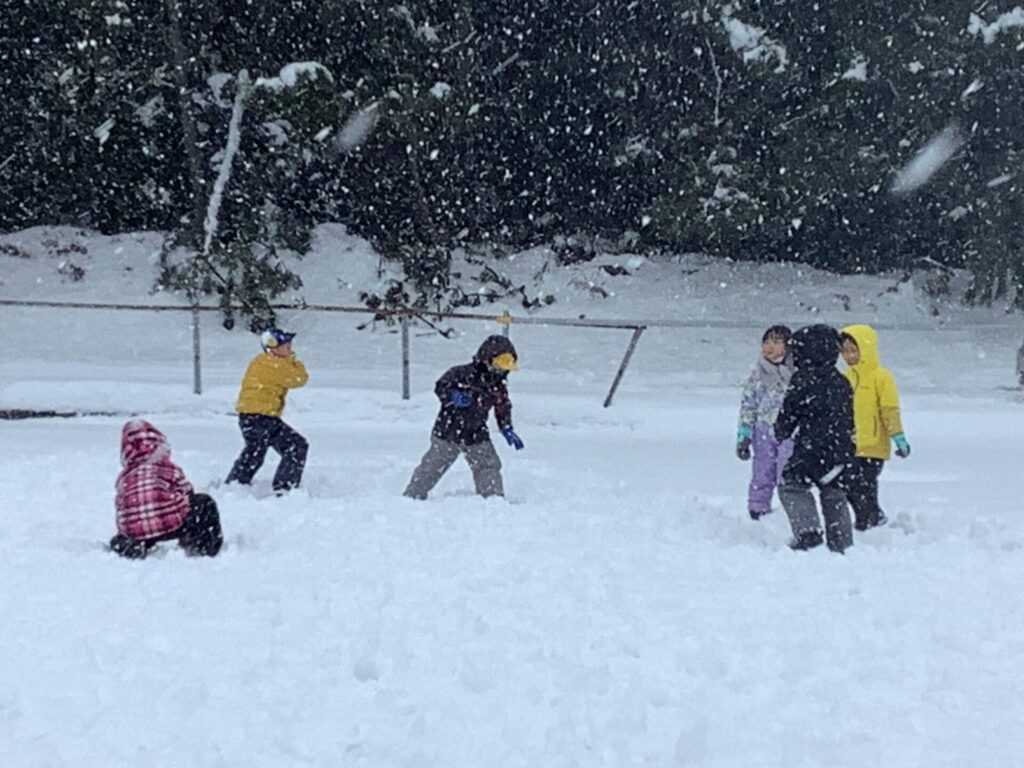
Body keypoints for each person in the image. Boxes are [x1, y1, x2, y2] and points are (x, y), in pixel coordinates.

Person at [404, 335, 524, 500]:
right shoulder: (461, 373)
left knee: (488, 465)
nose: (500, 371)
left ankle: (493, 499)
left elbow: (502, 406)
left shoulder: (498, 385)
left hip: (476, 433)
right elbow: (441, 387)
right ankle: (412, 496)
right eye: (498, 364)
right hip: (448, 430)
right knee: (432, 466)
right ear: (486, 359)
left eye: (506, 366)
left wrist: (506, 427)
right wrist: (453, 395)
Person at [774, 324, 856, 553]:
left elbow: (790, 412)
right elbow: (848, 417)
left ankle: (808, 531)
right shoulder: (841, 382)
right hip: (839, 448)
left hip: (810, 447)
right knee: (834, 490)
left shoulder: (802, 380)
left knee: (792, 485)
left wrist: (781, 430)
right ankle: (842, 542)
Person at [109, 419, 223, 559]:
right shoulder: (167, 468)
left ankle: (130, 542)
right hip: (169, 525)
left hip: (137, 529)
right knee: (204, 502)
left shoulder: (125, 476)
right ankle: (204, 545)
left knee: (136, 516)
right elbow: (187, 491)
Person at [840, 324, 910, 531]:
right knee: (850, 485)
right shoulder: (845, 377)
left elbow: (889, 410)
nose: (849, 355)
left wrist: (898, 438)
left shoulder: (881, 377)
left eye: (854, 350)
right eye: (845, 351)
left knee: (865, 483)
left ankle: (868, 520)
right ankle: (871, 517)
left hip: (873, 445)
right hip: (849, 444)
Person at [225, 327, 309, 494]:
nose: (290, 348)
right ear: (273, 347)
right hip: (260, 416)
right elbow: (299, 379)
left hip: (255, 416)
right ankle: (284, 487)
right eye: (286, 344)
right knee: (294, 446)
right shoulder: (272, 363)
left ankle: (236, 484)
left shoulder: (264, 361)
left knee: (256, 451)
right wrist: (292, 359)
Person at [736, 324, 795, 520]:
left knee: (786, 473)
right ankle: (758, 509)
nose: (769, 346)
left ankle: (792, 510)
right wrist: (744, 435)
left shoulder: (797, 372)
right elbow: (749, 405)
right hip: (763, 430)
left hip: (789, 432)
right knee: (762, 470)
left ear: (788, 346)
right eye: (766, 341)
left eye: (776, 342)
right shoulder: (758, 373)